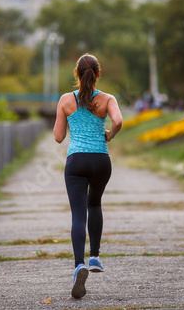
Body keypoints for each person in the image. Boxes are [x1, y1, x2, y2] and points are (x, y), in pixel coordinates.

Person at [53, 54, 123, 299]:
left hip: (76, 161)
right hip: (101, 161)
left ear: (76, 74)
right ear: (98, 74)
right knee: (95, 203)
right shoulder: (107, 99)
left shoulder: (65, 100)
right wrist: (109, 135)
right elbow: (118, 121)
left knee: (78, 213)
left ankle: (79, 265)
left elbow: (59, 137)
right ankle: (95, 257)